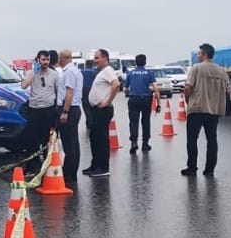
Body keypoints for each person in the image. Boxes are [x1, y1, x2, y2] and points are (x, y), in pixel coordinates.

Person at [182, 42, 230, 177]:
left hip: (197, 109)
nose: (197, 56)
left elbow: (187, 87)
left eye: (199, 53)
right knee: (212, 139)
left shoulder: (196, 68)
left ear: (205, 54)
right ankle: (210, 169)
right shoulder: (221, 71)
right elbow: (227, 91)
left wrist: (188, 101)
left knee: (192, 140)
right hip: (213, 111)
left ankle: (192, 168)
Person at [19, 50, 60, 174]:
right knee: (32, 140)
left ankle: (48, 166)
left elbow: (58, 92)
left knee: (47, 139)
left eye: (47, 60)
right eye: (43, 60)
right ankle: (31, 167)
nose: (45, 62)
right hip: (35, 109)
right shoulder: (32, 73)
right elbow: (24, 86)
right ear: (38, 60)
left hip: (48, 109)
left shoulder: (54, 74)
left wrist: (58, 110)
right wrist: (33, 73)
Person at [83, 49, 121, 178]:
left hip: (103, 110)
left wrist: (108, 101)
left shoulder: (108, 71)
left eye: (97, 58)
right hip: (96, 110)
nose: (95, 60)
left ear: (105, 58)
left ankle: (103, 167)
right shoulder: (102, 72)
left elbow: (116, 84)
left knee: (101, 139)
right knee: (94, 138)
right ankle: (95, 165)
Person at [56, 48, 83, 182]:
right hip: (74, 108)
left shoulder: (70, 72)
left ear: (61, 58)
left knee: (69, 143)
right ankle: (71, 173)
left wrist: (65, 112)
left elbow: (69, 93)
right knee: (73, 142)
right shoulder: (75, 70)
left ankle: (69, 174)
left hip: (70, 109)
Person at [123, 54, 157, 154]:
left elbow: (125, 89)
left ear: (135, 62)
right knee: (145, 121)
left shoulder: (131, 73)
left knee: (133, 121)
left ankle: (134, 142)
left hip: (133, 99)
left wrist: (129, 94)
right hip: (146, 99)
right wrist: (158, 102)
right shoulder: (149, 73)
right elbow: (156, 88)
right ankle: (145, 144)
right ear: (145, 62)